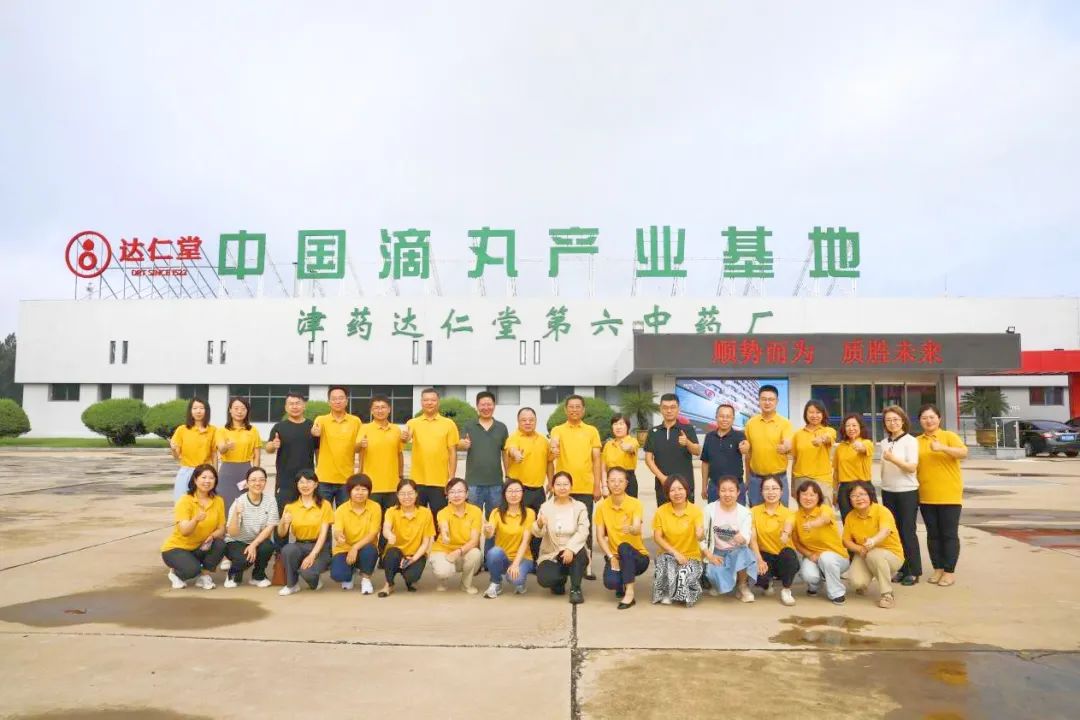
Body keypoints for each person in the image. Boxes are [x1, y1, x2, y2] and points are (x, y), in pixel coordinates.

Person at [549, 395, 602, 579]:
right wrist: (553, 449)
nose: (574, 410)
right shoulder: (557, 430)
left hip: (586, 487)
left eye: (578, 407)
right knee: (561, 526)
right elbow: (552, 450)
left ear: (583, 410)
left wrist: (597, 485)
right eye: (571, 407)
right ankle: (562, 562)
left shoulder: (591, 431)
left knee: (585, 527)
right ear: (565, 410)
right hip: (563, 489)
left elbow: (597, 460)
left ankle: (587, 566)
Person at [916, 404, 968, 588]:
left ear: (939, 419)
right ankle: (937, 568)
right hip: (926, 495)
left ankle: (949, 571)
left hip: (949, 495)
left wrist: (943, 448)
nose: (928, 421)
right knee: (933, 535)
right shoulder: (917, 441)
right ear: (920, 421)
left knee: (949, 534)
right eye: (924, 418)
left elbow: (963, 453)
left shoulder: (948, 436)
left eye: (932, 417)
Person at [460, 390, 509, 565]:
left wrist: (508, 475)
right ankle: (475, 558)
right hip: (473, 483)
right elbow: (459, 444)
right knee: (472, 522)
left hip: (495, 483)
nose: (486, 407)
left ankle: (489, 558)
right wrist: (462, 444)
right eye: (483, 404)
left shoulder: (501, 427)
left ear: (494, 406)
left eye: (489, 404)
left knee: (492, 523)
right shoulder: (469, 426)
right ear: (477, 406)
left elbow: (505, 453)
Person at [161, 463, 226, 590]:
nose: (207, 481)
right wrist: (195, 520)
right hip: (177, 548)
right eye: (203, 477)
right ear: (195, 480)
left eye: (211, 478)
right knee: (192, 570)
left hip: (200, 547)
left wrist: (212, 536)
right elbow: (184, 531)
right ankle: (175, 573)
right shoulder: (185, 500)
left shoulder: (218, 501)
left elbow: (222, 528)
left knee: (220, 544)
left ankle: (204, 576)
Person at [842, 480, 904, 608]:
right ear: (849, 500)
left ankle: (887, 594)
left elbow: (885, 531)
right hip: (865, 553)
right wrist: (859, 549)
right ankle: (876, 571)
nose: (859, 498)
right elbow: (846, 541)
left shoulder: (882, 511)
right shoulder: (850, 517)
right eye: (854, 496)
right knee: (857, 582)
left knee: (874, 555)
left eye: (862, 494)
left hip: (891, 555)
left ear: (870, 495)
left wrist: (873, 541)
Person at [593, 467, 649, 609]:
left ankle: (629, 593)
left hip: (638, 557)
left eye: (620, 481)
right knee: (611, 583)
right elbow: (600, 537)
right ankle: (621, 583)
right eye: (612, 481)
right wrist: (611, 556)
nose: (616, 484)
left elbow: (637, 528)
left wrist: (632, 529)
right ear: (607, 483)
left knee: (624, 547)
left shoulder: (635, 503)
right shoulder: (602, 507)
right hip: (616, 557)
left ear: (626, 483)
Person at [879, 405, 921, 586]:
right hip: (888, 491)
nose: (892, 423)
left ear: (903, 421)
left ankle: (913, 571)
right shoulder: (884, 442)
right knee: (894, 532)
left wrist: (894, 459)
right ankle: (901, 568)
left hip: (907, 491)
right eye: (888, 420)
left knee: (907, 531)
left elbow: (912, 467)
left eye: (896, 419)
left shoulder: (911, 441)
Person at [402, 388, 460, 520]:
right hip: (418, 481)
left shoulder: (448, 424)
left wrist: (451, 477)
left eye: (433, 400)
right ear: (421, 402)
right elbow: (406, 439)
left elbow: (452, 452)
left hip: (440, 482)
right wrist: (404, 437)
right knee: (417, 518)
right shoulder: (413, 423)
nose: (429, 403)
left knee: (439, 518)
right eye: (426, 400)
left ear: (438, 402)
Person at [533, 471, 590, 604]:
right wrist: (539, 524)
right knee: (545, 579)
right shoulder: (546, 507)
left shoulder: (579, 507)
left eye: (566, 484)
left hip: (574, 551)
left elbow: (583, 531)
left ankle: (575, 589)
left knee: (580, 553)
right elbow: (538, 533)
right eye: (558, 484)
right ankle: (560, 580)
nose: (562, 487)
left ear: (571, 487)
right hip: (552, 553)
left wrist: (570, 548)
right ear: (553, 487)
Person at [504, 407, 551, 562]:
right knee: (519, 525)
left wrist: (551, 482)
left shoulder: (543, 440)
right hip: (519, 491)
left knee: (538, 526)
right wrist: (516, 454)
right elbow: (511, 449)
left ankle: (536, 559)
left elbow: (549, 462)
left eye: (531, 420)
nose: (528, 422)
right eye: (524, 420)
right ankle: (516, 558)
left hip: (538, 490)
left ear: (536, 421)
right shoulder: (514, 438)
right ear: (518, 422)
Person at [276, 470, 333, 596]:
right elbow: (281, 533)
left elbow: (323, 535)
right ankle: (292, 585)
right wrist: (283, 522)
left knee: (307, 573)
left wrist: (312, 555)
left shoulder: (325, 505)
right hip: (299, 545)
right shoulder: (290, 506)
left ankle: (315, 582)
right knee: (288, 550)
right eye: (301, 482)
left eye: (309, 482)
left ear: (316, 484)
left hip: (319, 547)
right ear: (297, 485)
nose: (305, 485)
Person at [791, 480, 849, 604]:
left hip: (837, 558)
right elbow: (796, 543)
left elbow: (825, 519)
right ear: (798, 496)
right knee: (809, 575)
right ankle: (816, 585)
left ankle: (837, 593)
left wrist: (812, 524)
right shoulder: (795, 516)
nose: (808, 498)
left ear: (818, 497)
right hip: (814, 557)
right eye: (804, 494)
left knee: (826, 558)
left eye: (812, 495)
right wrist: (809, 554)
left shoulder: (825, 509)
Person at [652, 474, 706, 607]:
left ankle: (687, 592)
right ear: (667, 493)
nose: (677, 493)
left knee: (682, 574)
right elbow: (657, 537)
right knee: (667, 565)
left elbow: (700, 534)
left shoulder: (695, 511)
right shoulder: (661, 511)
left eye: (680, 489)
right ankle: (667, 593)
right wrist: (675, 553)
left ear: (686, 490)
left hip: (691, 557)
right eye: (672, 490)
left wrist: (700, 535)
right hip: (669, 555)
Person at [701, 476, 758, 603]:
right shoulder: (709, 510)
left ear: (738, 492)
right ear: (718, 492)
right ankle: (720, 583)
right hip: (717, 552)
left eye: (731, 490)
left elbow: (746, 536)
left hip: (736, 551)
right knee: (712, 573)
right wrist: (710, 555)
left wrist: (742, 538)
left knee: (745, 553)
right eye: (723, 490)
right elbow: (702, 537)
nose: (727, 494)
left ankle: (742, 586)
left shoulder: (744, 512)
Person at [223, 466, 279, 588]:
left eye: (261, 480)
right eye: (253, 480)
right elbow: (232, 533)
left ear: (265, 482)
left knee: (268, 546)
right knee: (244, 559)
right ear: (247, 483)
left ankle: (258, 576)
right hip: (236, 541)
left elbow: (270, 527)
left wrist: (253, 545)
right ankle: (233, 573)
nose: (257, 483)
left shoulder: (271, 501)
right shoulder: (239, 502)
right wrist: (236, 514)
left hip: (256, 540)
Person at [378, 479, 436, 597]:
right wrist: (390, 535)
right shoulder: (391, 511)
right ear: (397, 495)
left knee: (412, 576)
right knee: (391, 555)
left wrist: (413, 559)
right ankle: (389, 584)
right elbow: (386, 529)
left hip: (416, 553)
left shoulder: (425, 513)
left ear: (416, 494)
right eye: (402, 494)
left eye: (410, 493)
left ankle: (410, 580)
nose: (406, 497)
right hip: (396, 553)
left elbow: (425, 543)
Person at [482, 480, 536, 598]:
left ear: (522, 493)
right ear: (504, 494)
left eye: (517, 491)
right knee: (494, 552)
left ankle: (519, 582)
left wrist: (515, 564)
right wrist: (486, 530)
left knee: (515, 579)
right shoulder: (496, 512)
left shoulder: (529, 513)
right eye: (510, 491)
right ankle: (496, 583)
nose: (513, 494)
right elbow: (489, 535)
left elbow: (525, 541)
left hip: (523, 558)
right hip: (503, 557)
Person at [644, 393, 700, 505]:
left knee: (686, 515)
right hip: (663, 485)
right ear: (660, 409)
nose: (669, 411)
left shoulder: (687, 429)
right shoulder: (653, 432)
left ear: (678, 409)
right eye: (665, 407)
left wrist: (687, 443)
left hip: (685, 485)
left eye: (672, 407)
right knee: (664, 515)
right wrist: (662, 478)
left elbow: (697, 451)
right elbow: (648, 459)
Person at [429, 477, 483, 594]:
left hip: (464, 551)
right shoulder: (442, 512)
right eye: (452, 492)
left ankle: (466, 584)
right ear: (447, 496)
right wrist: (445, 536)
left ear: (467, 494)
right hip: (443, 550)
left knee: (476, 554)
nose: (456, 495)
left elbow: (474, 540)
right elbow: (444, 526)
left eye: (460, 491)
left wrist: (458, 551)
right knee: (443, 571)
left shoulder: (476, 511)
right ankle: (442, 580)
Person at [330, 474, 382, 594]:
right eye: (356, 489)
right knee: (338, 575)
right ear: (350, 491)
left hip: (365, 547)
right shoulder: (341, 509)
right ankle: (350, 573)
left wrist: (355, 548)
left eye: (364, 489)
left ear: (369, 491)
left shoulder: (375, 507)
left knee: (370, 551)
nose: (360, 493)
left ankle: (366, 578)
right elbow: (337, 530)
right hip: (344, 549)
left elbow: (373, 533)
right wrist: (339, 536)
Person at [264, 392, 318, 510]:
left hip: (307, 479)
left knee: (307, 512)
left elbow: (318, 450)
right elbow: (268, 448)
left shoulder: (312, 426)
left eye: (298, 403)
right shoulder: (279, 427)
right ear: (286, 407)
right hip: (285, 480)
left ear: (304, 405)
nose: (294, 406)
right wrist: (273, 445)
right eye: (291, 404)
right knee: (283, 512)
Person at [310, 386, 362, 507]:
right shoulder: (321, 420)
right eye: (334, 399)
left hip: (346, 479)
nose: (337, 401)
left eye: (341, 398)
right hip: (324, 479)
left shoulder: (355, 421)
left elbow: (359, 448)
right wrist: (314, 432)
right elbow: (315, 431)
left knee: (344, 514)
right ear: (329, 402)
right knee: (322, 514)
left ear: (346, 401)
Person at [743, 384, 794, 506]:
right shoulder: (750, 423)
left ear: (777, 401)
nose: (767, 402)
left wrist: (786, 447)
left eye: (771, 399)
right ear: (759, 401)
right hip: (755, 479)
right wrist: (747, 480)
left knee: (781, 513)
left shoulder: (785, 423)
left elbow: (788, 442)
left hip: (778, 479)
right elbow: (748, 454)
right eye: (764, 399)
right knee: (755, 513)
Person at [751, 476, 798, 606]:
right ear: (761, 492)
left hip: (783, 556)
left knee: (788, 555)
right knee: (758, 575)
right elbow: (752, 539)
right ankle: (767, 584)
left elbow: (789, 525)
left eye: (774, 488)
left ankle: (786, 590)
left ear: (781, 492)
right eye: (766, 488)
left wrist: (785, 533)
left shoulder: (789, 513)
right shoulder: (753, 511)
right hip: (764, 555)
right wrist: (759, 560)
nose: (771, 492)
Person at [358, 395, 405, 513]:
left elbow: (399, 454)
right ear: (371, 410)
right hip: (371, 485)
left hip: (392, 485)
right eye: (376, 408)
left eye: (383, 407)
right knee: (372, 519)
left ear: (389, 409)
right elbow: (356, 449)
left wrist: (400, 475)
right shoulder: (364, 428)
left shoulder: (396, 430)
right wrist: (360, 444)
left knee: (390, 519)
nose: (380, 410)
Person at [216, 396, 262, 516]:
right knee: (225, 502)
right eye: (236, 408)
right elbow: (221, 449)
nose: (239, 411)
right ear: (230, 410)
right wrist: (227, 446)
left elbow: (257, 456)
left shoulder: (253, 431)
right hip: (227, 471)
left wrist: (254, 476)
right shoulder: (222, 430)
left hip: (245, 470)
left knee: (246, 504)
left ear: (247, 411)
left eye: (243, 408)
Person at [700, 404, 749, 504]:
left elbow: (745, 447)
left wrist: (746, 447)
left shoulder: (739, 435)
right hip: (714, 486)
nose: (724, 419)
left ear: (733, 419)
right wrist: (704, 486)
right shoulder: (709, 437)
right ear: (716, 417)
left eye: (728, 417)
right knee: (713, 514)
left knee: (738, 514)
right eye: (721, 416)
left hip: (735, 487)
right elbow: (705, 462)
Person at [169, 398, 217, 500]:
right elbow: (176, 457)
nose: (198, 411)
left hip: (204, 473)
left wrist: (215, 474)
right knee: (182, 501)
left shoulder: (213, 430)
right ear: (190, 411)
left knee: (204, 502)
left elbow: (214, 454)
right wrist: (173, 449)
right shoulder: (182, 430)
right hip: (186, 471)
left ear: (206, 411)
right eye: (195, 408)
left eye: (201, 408)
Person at [791, 400, 836, 505]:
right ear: (805, 414)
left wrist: (821, 439)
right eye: (811, 412)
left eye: (818, 412)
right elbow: (795, 460)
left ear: (823, 414)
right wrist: (793, 486)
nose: (814, 415)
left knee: (825, 511)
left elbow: (829, 437)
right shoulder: (797, 435)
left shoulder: (829, 430)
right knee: (805, 512)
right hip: (801, 478)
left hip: (823, 479)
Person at [833, 414, 872, 521]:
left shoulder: (867, 442)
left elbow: (863, 448)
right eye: (848, 426)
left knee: (867, 521)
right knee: (848, 521)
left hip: (863, 486)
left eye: (854, 425)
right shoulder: (840, 447)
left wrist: (859, 446)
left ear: (860, 427)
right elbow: (836, 472)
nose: (851, 428)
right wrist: (835, 492)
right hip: (845, 489)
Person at [601, 415, 640, 498]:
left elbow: (631, 448)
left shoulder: (632, 441)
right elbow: (603, 469)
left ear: (627, 427)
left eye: (621, 424)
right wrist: (604, 486)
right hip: (611, 481)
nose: (618, 427)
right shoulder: (608, 445)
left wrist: (627, 447)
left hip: (628, 480)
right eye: (615, 424)